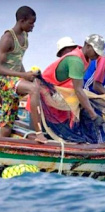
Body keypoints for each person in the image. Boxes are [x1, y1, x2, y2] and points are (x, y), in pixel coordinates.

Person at [0, 6, 47, 143]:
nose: (33, 27)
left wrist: (26, 75)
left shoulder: (25, 36)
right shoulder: (7, 38)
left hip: (12, 81)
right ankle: (39, 133)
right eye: (31, 23)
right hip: (3, 80)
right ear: (22, 21)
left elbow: (17, 61)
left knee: (6, 127)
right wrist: (23, 77)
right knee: (33, 89)